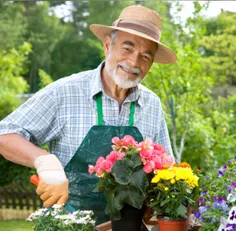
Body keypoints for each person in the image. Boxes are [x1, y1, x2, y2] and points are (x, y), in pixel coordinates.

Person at [0, 5, 176, 225]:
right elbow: (5, 134)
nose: (133, 62)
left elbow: (167, 170)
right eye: (127, 48)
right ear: (107, 45)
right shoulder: (64, 92)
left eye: (145, 56)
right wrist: (45, 162)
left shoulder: (152, 104)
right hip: (68, 225)